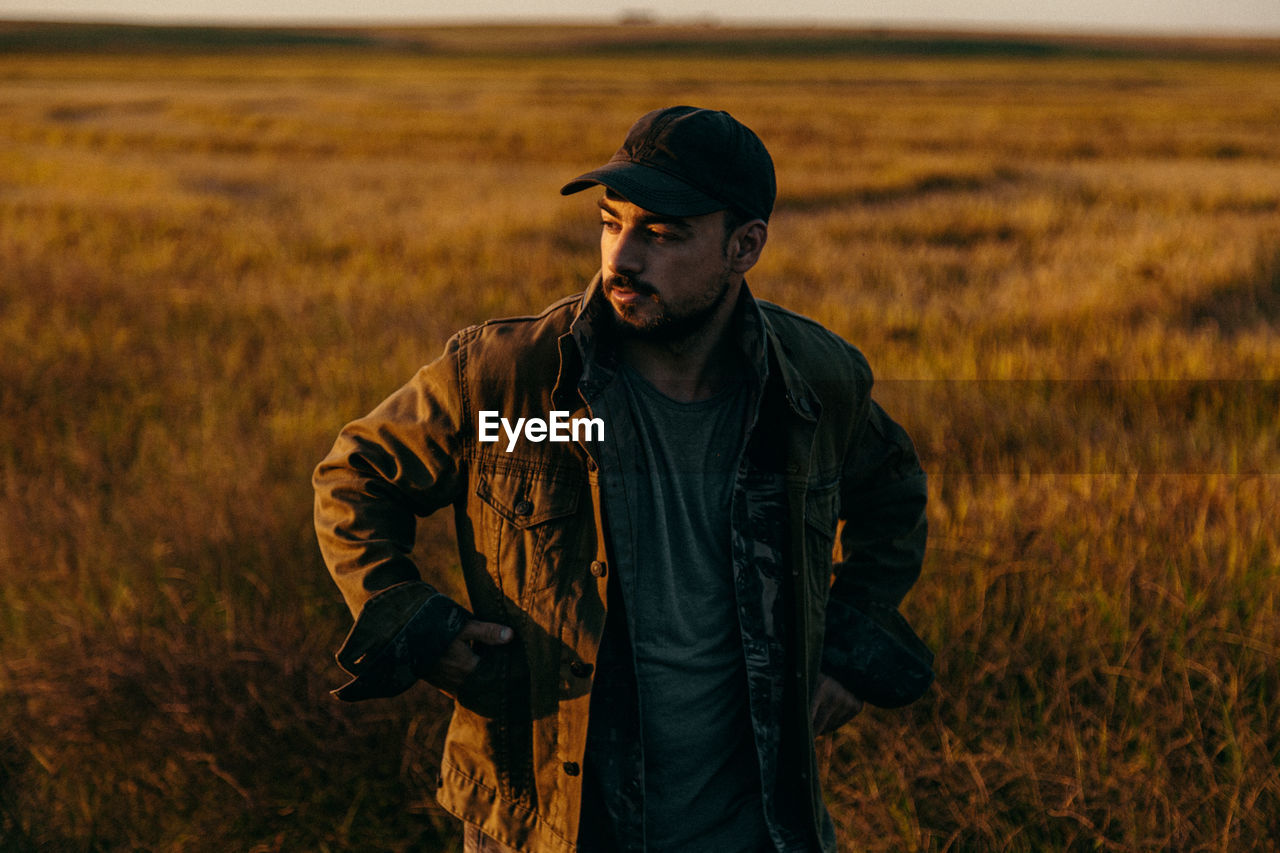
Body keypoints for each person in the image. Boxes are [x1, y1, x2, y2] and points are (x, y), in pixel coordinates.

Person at [313, 105, 933, 853]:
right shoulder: (512, 381)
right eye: (612, 222)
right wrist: (416, 624)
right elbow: (356, 474)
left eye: (662, 234)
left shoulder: (813, 385)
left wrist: (849, 645)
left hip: (756, 827)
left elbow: (893, 493)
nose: (621, 257)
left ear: (744, 247)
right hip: (550, 823)